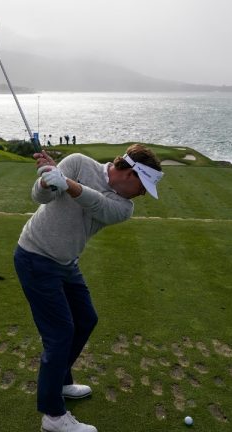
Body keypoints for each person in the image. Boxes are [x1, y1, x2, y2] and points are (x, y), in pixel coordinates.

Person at [14, 144, 164, 432]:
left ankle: (60, 380)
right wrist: (47, 178)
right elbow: (39, 196)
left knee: (86, 319)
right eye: (143, 186)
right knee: (60, 333)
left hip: (66, 262)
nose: (143, 194)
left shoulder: (124, 207)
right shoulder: (79, 163)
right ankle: (53, 416)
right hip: (35, 256)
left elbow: (98, 204)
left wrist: (67, 183)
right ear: (130, 173)